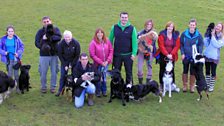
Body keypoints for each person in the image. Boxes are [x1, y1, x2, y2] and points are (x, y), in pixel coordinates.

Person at [35, 16, 62, 94]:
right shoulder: (40, 32)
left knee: (54, 72)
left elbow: (59, 37)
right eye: (44, 22)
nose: (46, 23)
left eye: (47, 21)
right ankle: (43, 87)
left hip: (54, 54)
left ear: (51, 21)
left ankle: (53, 87)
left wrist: (49, 37)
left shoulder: (55, 29)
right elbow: (36, 43)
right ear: (42, 23)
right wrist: (43, 41)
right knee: (43, 72)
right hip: (44, 55)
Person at [109, 12, 138, 84]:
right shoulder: (114, 27)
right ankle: (117, 88)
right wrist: (110, 54)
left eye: (125, 18)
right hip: (117, 55)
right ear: (120, 18)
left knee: (129, 73)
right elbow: (110, 41)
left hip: (128, 55)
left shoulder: (132, 28)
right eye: (122, 17)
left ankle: (129, 90)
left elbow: (135, 43)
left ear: (128, 18)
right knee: (116, 73)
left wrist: (134, 54)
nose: (124, 19)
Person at [180, 18, 203, 93]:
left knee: (193, 72)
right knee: (185, 70)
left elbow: (201, 44)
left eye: (194, 25)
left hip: (194, 57)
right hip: (186, 56)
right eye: (191, 25)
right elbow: (181, 44)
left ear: (195, 26)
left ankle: (192, 86)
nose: (192, 26)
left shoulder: (198, 35)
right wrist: (182, 53)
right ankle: (184, 86)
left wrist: (198, 54)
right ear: (188, 25)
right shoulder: (184, 34)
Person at [89, 28, 113, 97]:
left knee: (104, 77)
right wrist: (101, 62)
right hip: (98, 65)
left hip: (106, 63)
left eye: (101, 33)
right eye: (98, 33)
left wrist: (107, 60)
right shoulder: (93, 43)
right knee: (99, 78)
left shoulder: (107, 41)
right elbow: (92, 55)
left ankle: (104, 91)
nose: (100, 34)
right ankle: (98, 91)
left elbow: (111, 50)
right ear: (96, 34)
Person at [55, 30, 80, 96]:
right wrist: (65, 65)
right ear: (64, 37)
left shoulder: (76, 43)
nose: (67, 39)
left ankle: (75, 90)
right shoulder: (61, 44)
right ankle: (60, 90)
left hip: (74, 61)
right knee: (63, 75)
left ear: (71, 37)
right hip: (65, 61)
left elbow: (77, 55)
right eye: (66, 37)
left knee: (75, 75)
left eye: (68, 37)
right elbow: (60, 55)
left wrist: (71, 64)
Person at [157, 21, 180, 91]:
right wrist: (167, 54)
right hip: (163, 55)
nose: (170, 28)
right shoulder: (162, 35)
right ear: (166, 27)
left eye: (172, 27)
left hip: (172, 56)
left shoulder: (175, 35)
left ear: (173, 28)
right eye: (169, 26)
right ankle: (161, 84)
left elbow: (177, 46)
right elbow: (161, 46)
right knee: (162, 69)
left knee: (171, 70)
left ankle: (172, 84)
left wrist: (171, 54)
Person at [0, 25, 24, 93]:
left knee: (16, 75)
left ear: (14, 32)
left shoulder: (17, 39)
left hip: (16, 59)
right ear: (7, 32)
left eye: (12, 31)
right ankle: (9, 89)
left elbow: (22, 47)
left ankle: (17, 88)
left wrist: (18, 53)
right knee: (9, 75)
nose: (10, 32)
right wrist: (4, 52)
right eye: (9, 31)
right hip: (8, 60)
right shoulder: (3, 39)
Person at [203, 22, 224, 92]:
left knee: (213, 72)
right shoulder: (211, 33)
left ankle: (211, 86)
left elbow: (217, 45)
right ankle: (207, 85)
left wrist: (212, 36)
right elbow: (205, 44)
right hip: (207, 55)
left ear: (221, 29)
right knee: (207, 71)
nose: (217, 28)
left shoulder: (221, 37)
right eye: (217, 26)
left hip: (215, 57)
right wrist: (207, 35)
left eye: (219, 27)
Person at [137, 19, 157, 84]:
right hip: (141, 52)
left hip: (149, 52)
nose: (149, 25)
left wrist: (142, 38)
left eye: (150, 24)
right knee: (139, 69)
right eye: (148, 24)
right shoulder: (140, 32)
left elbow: (151, 44)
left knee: (149, 68)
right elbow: (137, 42)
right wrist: (139, 39)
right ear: (145, 24)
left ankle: (148, 84)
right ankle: (140, 84)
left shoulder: (153, 33)